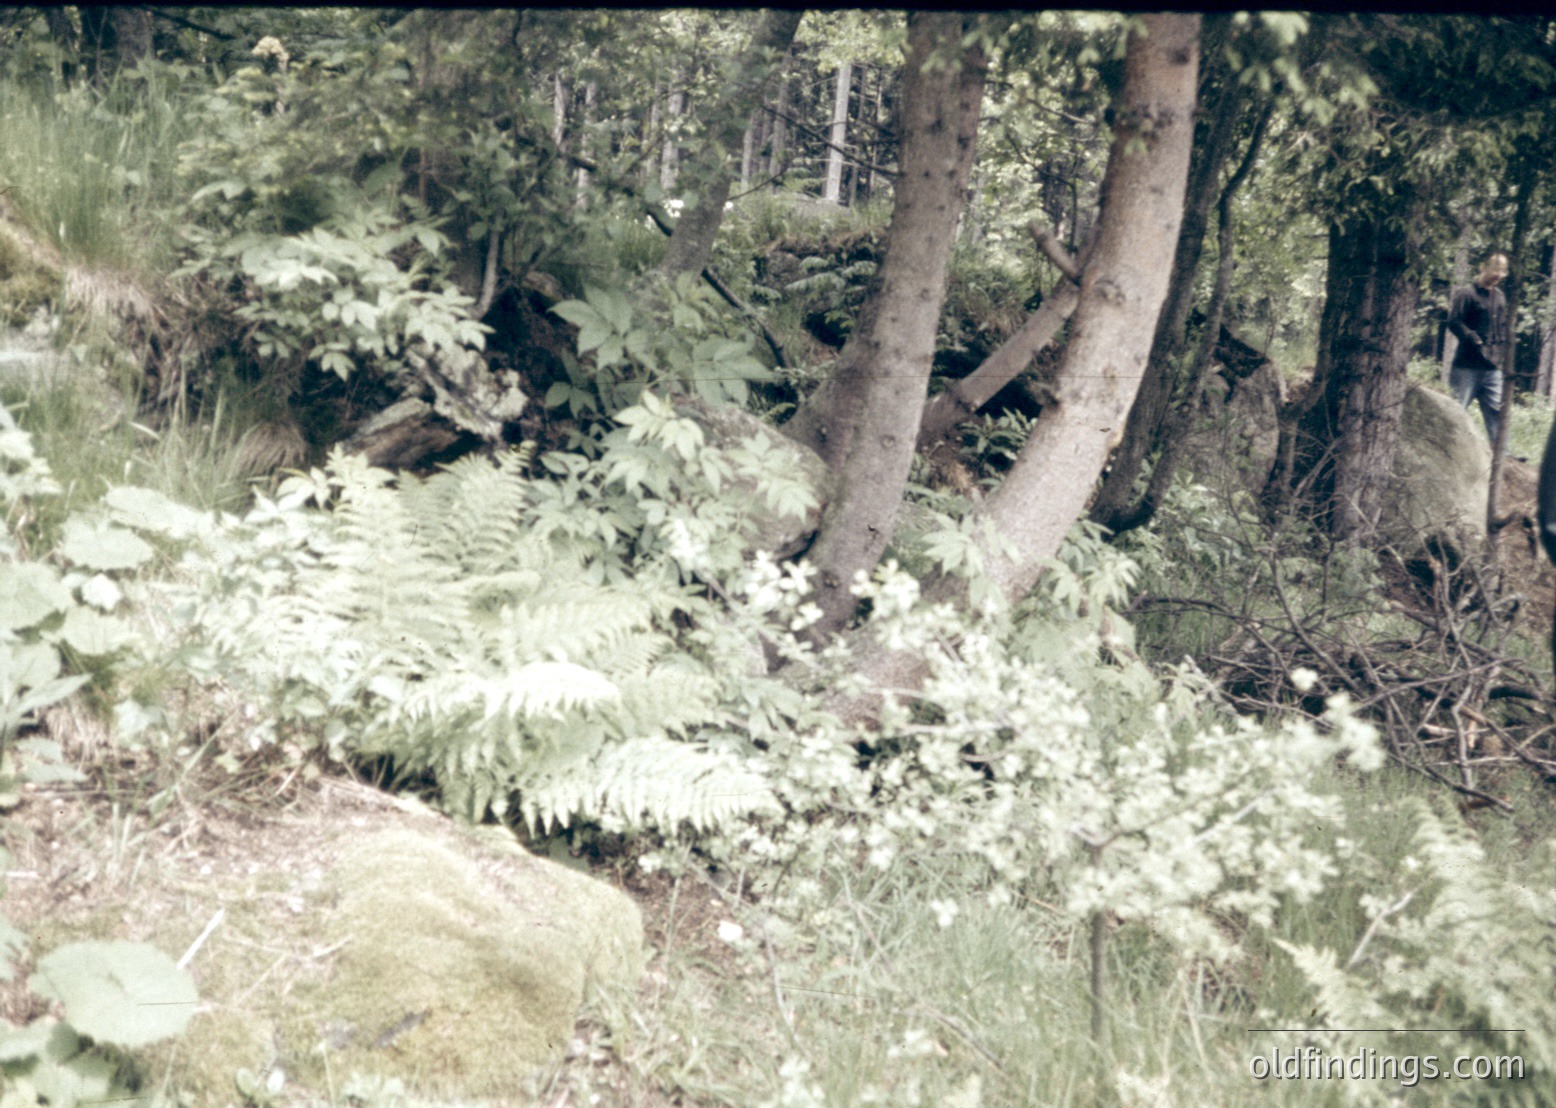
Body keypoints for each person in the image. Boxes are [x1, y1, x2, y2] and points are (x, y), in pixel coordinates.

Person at [1446, 251, 1510, 445]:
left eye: (1502, 271)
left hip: (1492, 367)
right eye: (1495, 270)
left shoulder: (1499, 297)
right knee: (1457, 411)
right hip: (1466, 366)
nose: (1498, 275)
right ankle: (1448, 449)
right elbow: (1454, 321)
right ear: (1483, 268)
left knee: (1496, 412)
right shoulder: (1466, 294)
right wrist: (1472, 338)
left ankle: (1504, 457)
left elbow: (1502, 327)